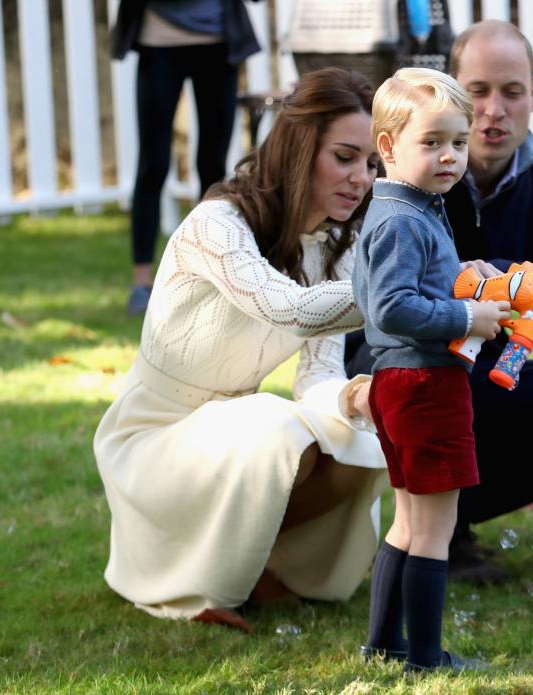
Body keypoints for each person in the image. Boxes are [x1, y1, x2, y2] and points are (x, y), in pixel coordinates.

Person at [93, 67, 387, 633]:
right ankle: (206, 581)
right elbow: (292, 309)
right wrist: (401, 291)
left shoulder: (335, 249)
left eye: (373, 165)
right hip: (152, 437)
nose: (362, 179)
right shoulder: (217, 224)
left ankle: (269, 565)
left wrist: (356, 398)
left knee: (358, 438)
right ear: (302, 149)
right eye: (345, 157)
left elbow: (319, 376)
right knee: (275, 424)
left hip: (223, 432)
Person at [345, 19, 533, 584]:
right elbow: (378, 306)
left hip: (488, 368)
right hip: (399, 366)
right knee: (438, 388)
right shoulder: (407, 184)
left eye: (512, 91)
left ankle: (454, 521)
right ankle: (422, 529)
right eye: (480, 91)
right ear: (451, 91)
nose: (494, 109)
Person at [353, 67, 507, 673]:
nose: (449, 157)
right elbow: (392, 306)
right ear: (388, 147)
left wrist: (465, 275)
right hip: (424, 383)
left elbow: (409, 286)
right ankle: (424, 658)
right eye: (432, 142)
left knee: (408, 522)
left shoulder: (407, 208)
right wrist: (467, 315)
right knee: (434, 530)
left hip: (402, 384)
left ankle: (384, 644)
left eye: (459, 143)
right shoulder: (404, 219)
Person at [111, 0, 262, 315]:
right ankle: (141, 282)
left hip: (219, 43)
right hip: (159, 44)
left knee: (212, 166)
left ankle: (209, 277)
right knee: (152, 167)